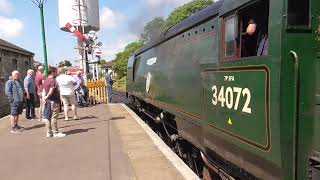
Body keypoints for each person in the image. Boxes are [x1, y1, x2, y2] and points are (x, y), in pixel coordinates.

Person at [42, 67, 66, 138]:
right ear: (52, 72)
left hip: (48, 102)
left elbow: (43, 90)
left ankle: (49, 132)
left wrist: (44, 98)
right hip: (53, 101)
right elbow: (51, 91)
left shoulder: (46, 80)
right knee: (54, 117)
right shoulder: (53, 81)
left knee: (47, 117)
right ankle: (55, 132)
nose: (57, 73)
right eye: (56, 72)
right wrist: (46, 97)